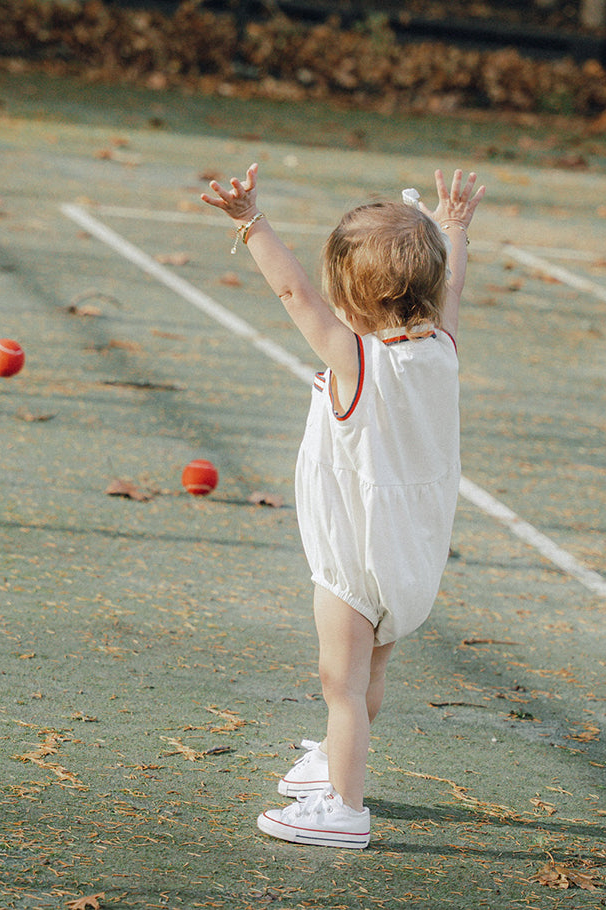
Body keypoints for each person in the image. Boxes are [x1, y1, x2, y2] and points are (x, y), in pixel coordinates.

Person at [201, 164, 484, 848]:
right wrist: (453, 225)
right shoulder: (439, 347)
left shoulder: (358, 362)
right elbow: (453, 288)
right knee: (365, 675)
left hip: (357, 556)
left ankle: (344, 808)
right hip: (409, 557)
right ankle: (333, 760)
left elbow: (292, 292)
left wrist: (251, 221)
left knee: (341, 684)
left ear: (350, 295)